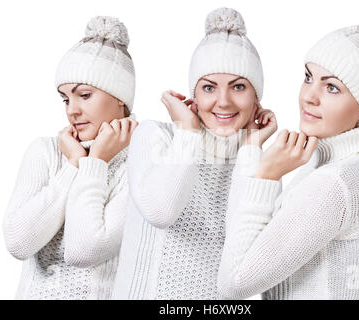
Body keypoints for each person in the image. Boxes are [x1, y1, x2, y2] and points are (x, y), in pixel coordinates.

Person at [218, 6, 359, 300]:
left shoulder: (336, 183)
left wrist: (266, 175)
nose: (309, 95)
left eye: (332, 87)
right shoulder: (341, 161)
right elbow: (244, 244)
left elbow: (233, 284)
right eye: (309, 77)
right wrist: (252, 149)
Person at [112, 7, 276, 299]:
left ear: (256, 98)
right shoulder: (155, 136)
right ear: (195, 95)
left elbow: (244, 253)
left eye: (238, 87)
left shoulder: (257, 161)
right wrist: (187, 132)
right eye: (209, 87)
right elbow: (161, 211)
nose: (223, 102)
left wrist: (252, 146)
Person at [3, 16, 137, 299]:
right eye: (65, 99)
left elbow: (84, 250)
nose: (71, 110)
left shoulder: (141, 161)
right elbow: (18, 243)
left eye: (84, 95)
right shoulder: (47, 151)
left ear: (121, 98)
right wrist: (74, 165)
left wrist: (96, 163)